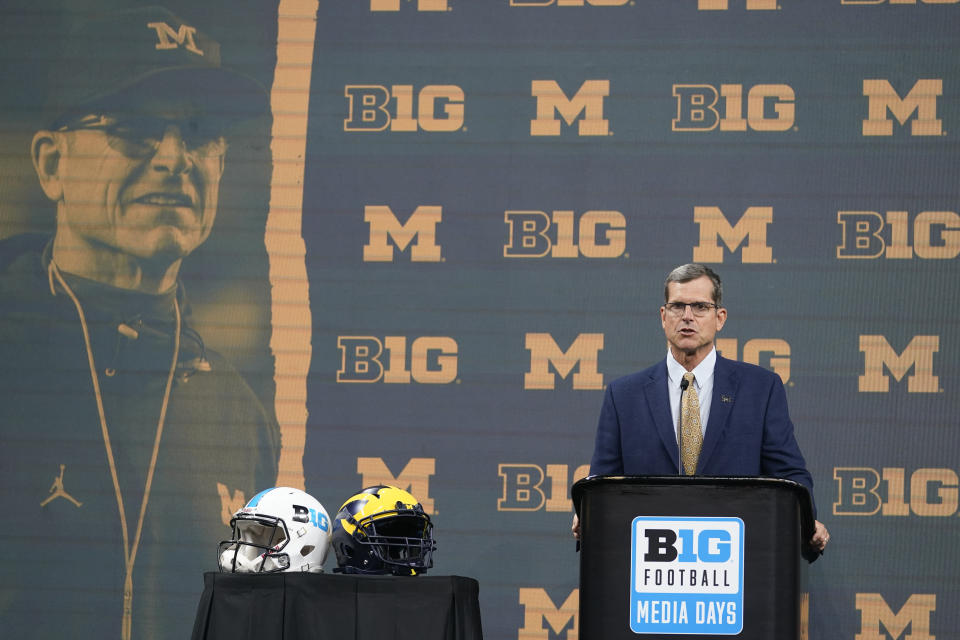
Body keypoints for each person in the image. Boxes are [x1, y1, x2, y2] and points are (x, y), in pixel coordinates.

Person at [0, 7, 279, 640]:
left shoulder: (238, 409)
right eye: (133, 129)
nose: (174, 157)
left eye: (201, 132)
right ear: (50, 165)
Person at [572, 263, 829, 552]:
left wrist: (807, 522)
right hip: (650, 563)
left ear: (720, 318)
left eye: (700, 307)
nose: (687, 317)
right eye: (677, 306)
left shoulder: (760, 388)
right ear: (663, 316)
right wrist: (589, 512)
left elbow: (790, 476)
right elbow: (603, 482)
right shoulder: (624, 395)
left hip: (736, 558)